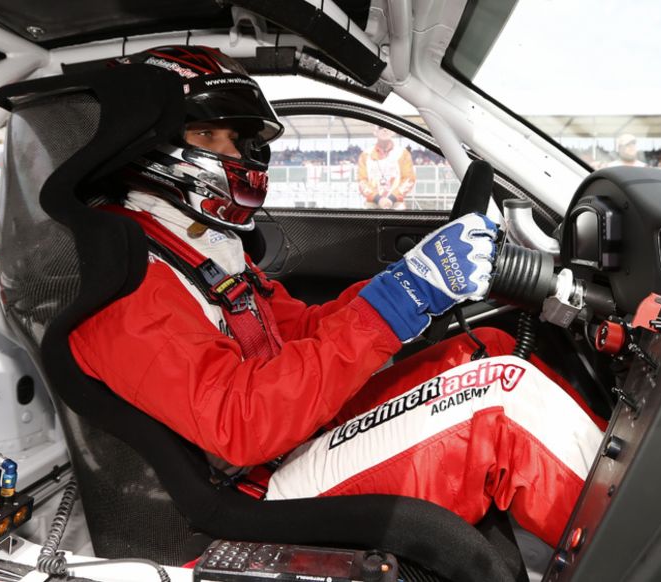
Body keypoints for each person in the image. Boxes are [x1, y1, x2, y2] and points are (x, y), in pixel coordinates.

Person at [69, 45, 605, 548]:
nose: (236, 153)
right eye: (210, 136)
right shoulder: (125, 278)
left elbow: (300, 330)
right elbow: (240, 422)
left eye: (236, 138)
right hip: (255, 490)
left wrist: (408, 282)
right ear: (141, 141)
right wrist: (399, 300)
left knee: (481, 347)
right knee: (499, 404)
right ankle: (644, 552)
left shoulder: (186, 241)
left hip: (289, 440)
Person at [357, 126, 416, 209]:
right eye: (380, 127)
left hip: (396, 203)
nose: (385, 129)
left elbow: (409, 179)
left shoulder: (403, 153)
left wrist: (391, 199)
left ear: (393, 132)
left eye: (388, 126)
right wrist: (378, 199)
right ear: (375, 131)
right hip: (372, 204)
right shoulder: (365, 154)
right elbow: (362, 181)